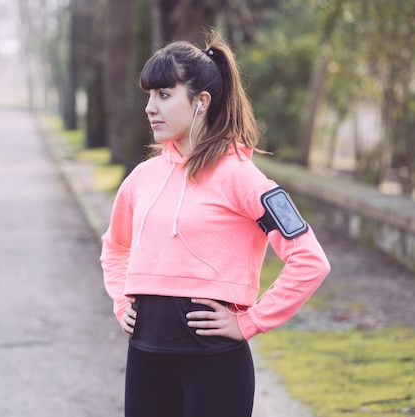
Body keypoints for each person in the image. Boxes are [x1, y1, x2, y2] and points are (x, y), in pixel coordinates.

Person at [100, 30, 331, 417]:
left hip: (214, 367)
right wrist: (122, 300)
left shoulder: (242, 177)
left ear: (201, 102)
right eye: (148, 95)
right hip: (145, 359)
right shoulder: (142, 178)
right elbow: (115, 246)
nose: (149, 108)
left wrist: (251, 321)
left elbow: (310, 260)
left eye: (164, 94)